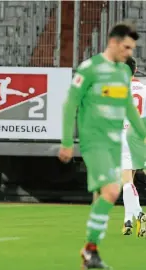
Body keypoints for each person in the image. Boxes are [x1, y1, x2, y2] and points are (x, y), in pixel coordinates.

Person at [58, 22, 146, 269]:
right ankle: (91, 251)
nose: (129, 52)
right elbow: (70, 105)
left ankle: (90, 251)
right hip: (94, 141)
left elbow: (129, 107)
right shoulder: (90, 68)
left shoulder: (121, 74)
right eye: (126, 47)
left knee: (103, 196)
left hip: (116, 142)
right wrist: (66, 142)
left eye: (132, 48)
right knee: (111, 191)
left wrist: (143, 134)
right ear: (114, 43)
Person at [121, 56, 146, 237]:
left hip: (123, 135)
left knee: (127, 180)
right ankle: (128, 222)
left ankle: (137, 215)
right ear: (135, 70)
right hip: (139, 135)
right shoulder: (144, 89)